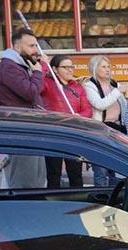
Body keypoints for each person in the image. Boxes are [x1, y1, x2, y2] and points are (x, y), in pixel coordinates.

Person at [0, 28, 46, 189]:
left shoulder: (22, 66)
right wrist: (37, 73)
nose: (35, 50)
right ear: (17, 47)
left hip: (31, 127)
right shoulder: (9, 67)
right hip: (21, 131)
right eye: (31, 46)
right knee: (25, 183)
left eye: (36, 46)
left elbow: (37, 92)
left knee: (37, 181)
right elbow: (30, 93)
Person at [40, 54, 93, 188]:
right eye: (65, 67)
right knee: (54, 174)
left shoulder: (77, 87)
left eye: (71, 66)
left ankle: (79, 204)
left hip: (74, 134)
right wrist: (43, 65)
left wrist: (80, 116)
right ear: (55, 69)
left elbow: (88, 110)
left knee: (75, 173)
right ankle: (53, 205)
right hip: (54, 134)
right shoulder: (47, 84)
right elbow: (37, 84)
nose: (70, 70)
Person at [83, 55, 127, 186]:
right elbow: (99, 104)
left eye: (109, 66)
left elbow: (123, 106)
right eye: (103, 67)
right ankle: (100, 198)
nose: (107, 69)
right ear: (95, 68)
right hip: (100, 130)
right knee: (101, 169)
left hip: (117, 129)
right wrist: (117, 92)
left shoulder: (114, 84)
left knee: (115, 168)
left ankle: (114, 199)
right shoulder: (89, 85)